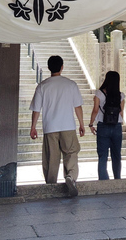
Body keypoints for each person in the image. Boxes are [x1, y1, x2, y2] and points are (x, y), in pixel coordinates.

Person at [30, 55, 85, 196]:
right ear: (62, 67)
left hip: (50, 127)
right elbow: (77, 106)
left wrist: (33, 127)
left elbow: (36, 109)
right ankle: (70, 177)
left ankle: (51, 185)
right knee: (71, 153)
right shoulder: (70, 84)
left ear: (49, 68)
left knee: (51, 158)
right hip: (68, 125)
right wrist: (82, 124)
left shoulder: (43, 86)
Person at [89, 70, 125, 180]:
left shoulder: (99, 93)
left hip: (103, 126)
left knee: (103, 155)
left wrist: (91, 124)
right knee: (116, 155)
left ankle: (104, 181)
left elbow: (95, 110)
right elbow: (121, 112)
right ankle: (117, 178)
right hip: (116, 127)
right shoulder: (121, 96)